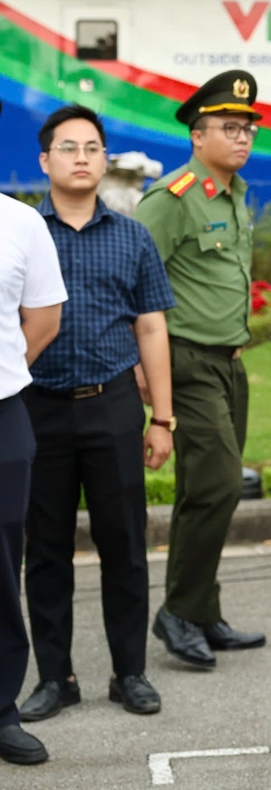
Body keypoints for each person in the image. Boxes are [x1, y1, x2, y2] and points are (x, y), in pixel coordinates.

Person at [17, 106, 175, 724]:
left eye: (92, 147)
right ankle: (55, 678)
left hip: (112, 407)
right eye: (68, 147)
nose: (81, 157)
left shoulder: (132, 236)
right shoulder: (23, 234)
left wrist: (162, 418)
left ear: (105, 159)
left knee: (125, 545)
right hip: (38, 408)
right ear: (45, 160)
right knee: (46, 551)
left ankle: (128, 671)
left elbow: (152, 327)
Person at [134, 71, 266, 668]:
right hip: (185, 360)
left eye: (247, 129)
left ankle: (202, 610)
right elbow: (130, 281)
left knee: (206, 490)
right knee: (217, 484)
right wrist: (143, 368)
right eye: (230, 128)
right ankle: (180, 613)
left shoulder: (233, 193)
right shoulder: (172, 198)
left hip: (228, 363)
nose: (242, 138)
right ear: (197, 135)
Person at [0, 97, 67, 766]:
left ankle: (0, 710)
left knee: (2, 570)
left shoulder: (20, 224)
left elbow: (43, 318)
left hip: (2, 417)